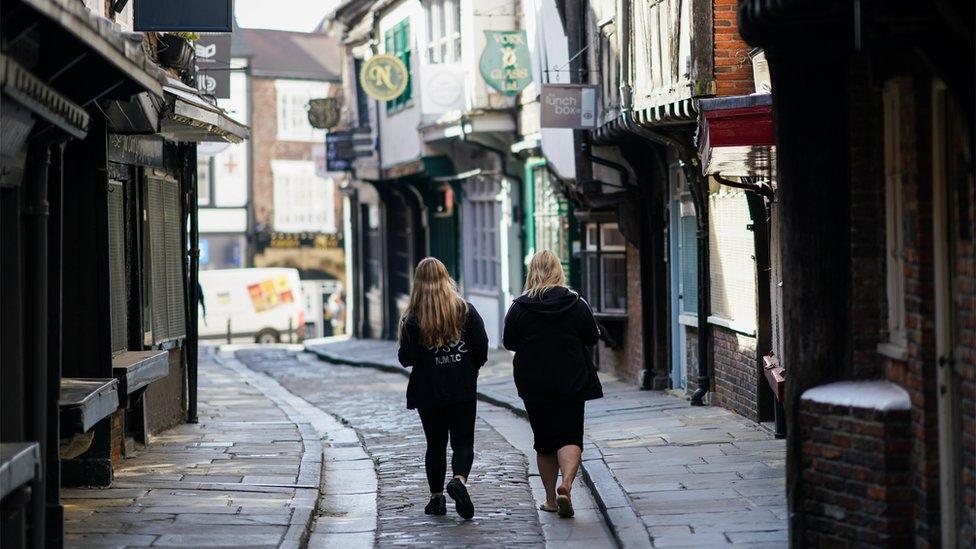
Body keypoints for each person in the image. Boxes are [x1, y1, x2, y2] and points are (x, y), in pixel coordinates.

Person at [502, 250, 603, 518]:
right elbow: (592, 336)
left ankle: (550, 499)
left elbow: (509, 343)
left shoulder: (519, 307)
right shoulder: (576, 303)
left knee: (544, 442)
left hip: (535, 384)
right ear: (559, 270)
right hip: (572, 380)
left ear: (531, 271)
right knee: (570, 434)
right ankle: (567, 485)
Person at [397, 257, 489, 520]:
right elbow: (481, 347)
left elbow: (406, 358)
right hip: (461, 387)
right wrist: (471, 369)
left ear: (418, 283)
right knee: (462, 442)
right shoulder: (465, 311)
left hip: (429, 391)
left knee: (435, 445)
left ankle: (436, 499)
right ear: (446, 277)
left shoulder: (412, 319)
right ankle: (459, 480)